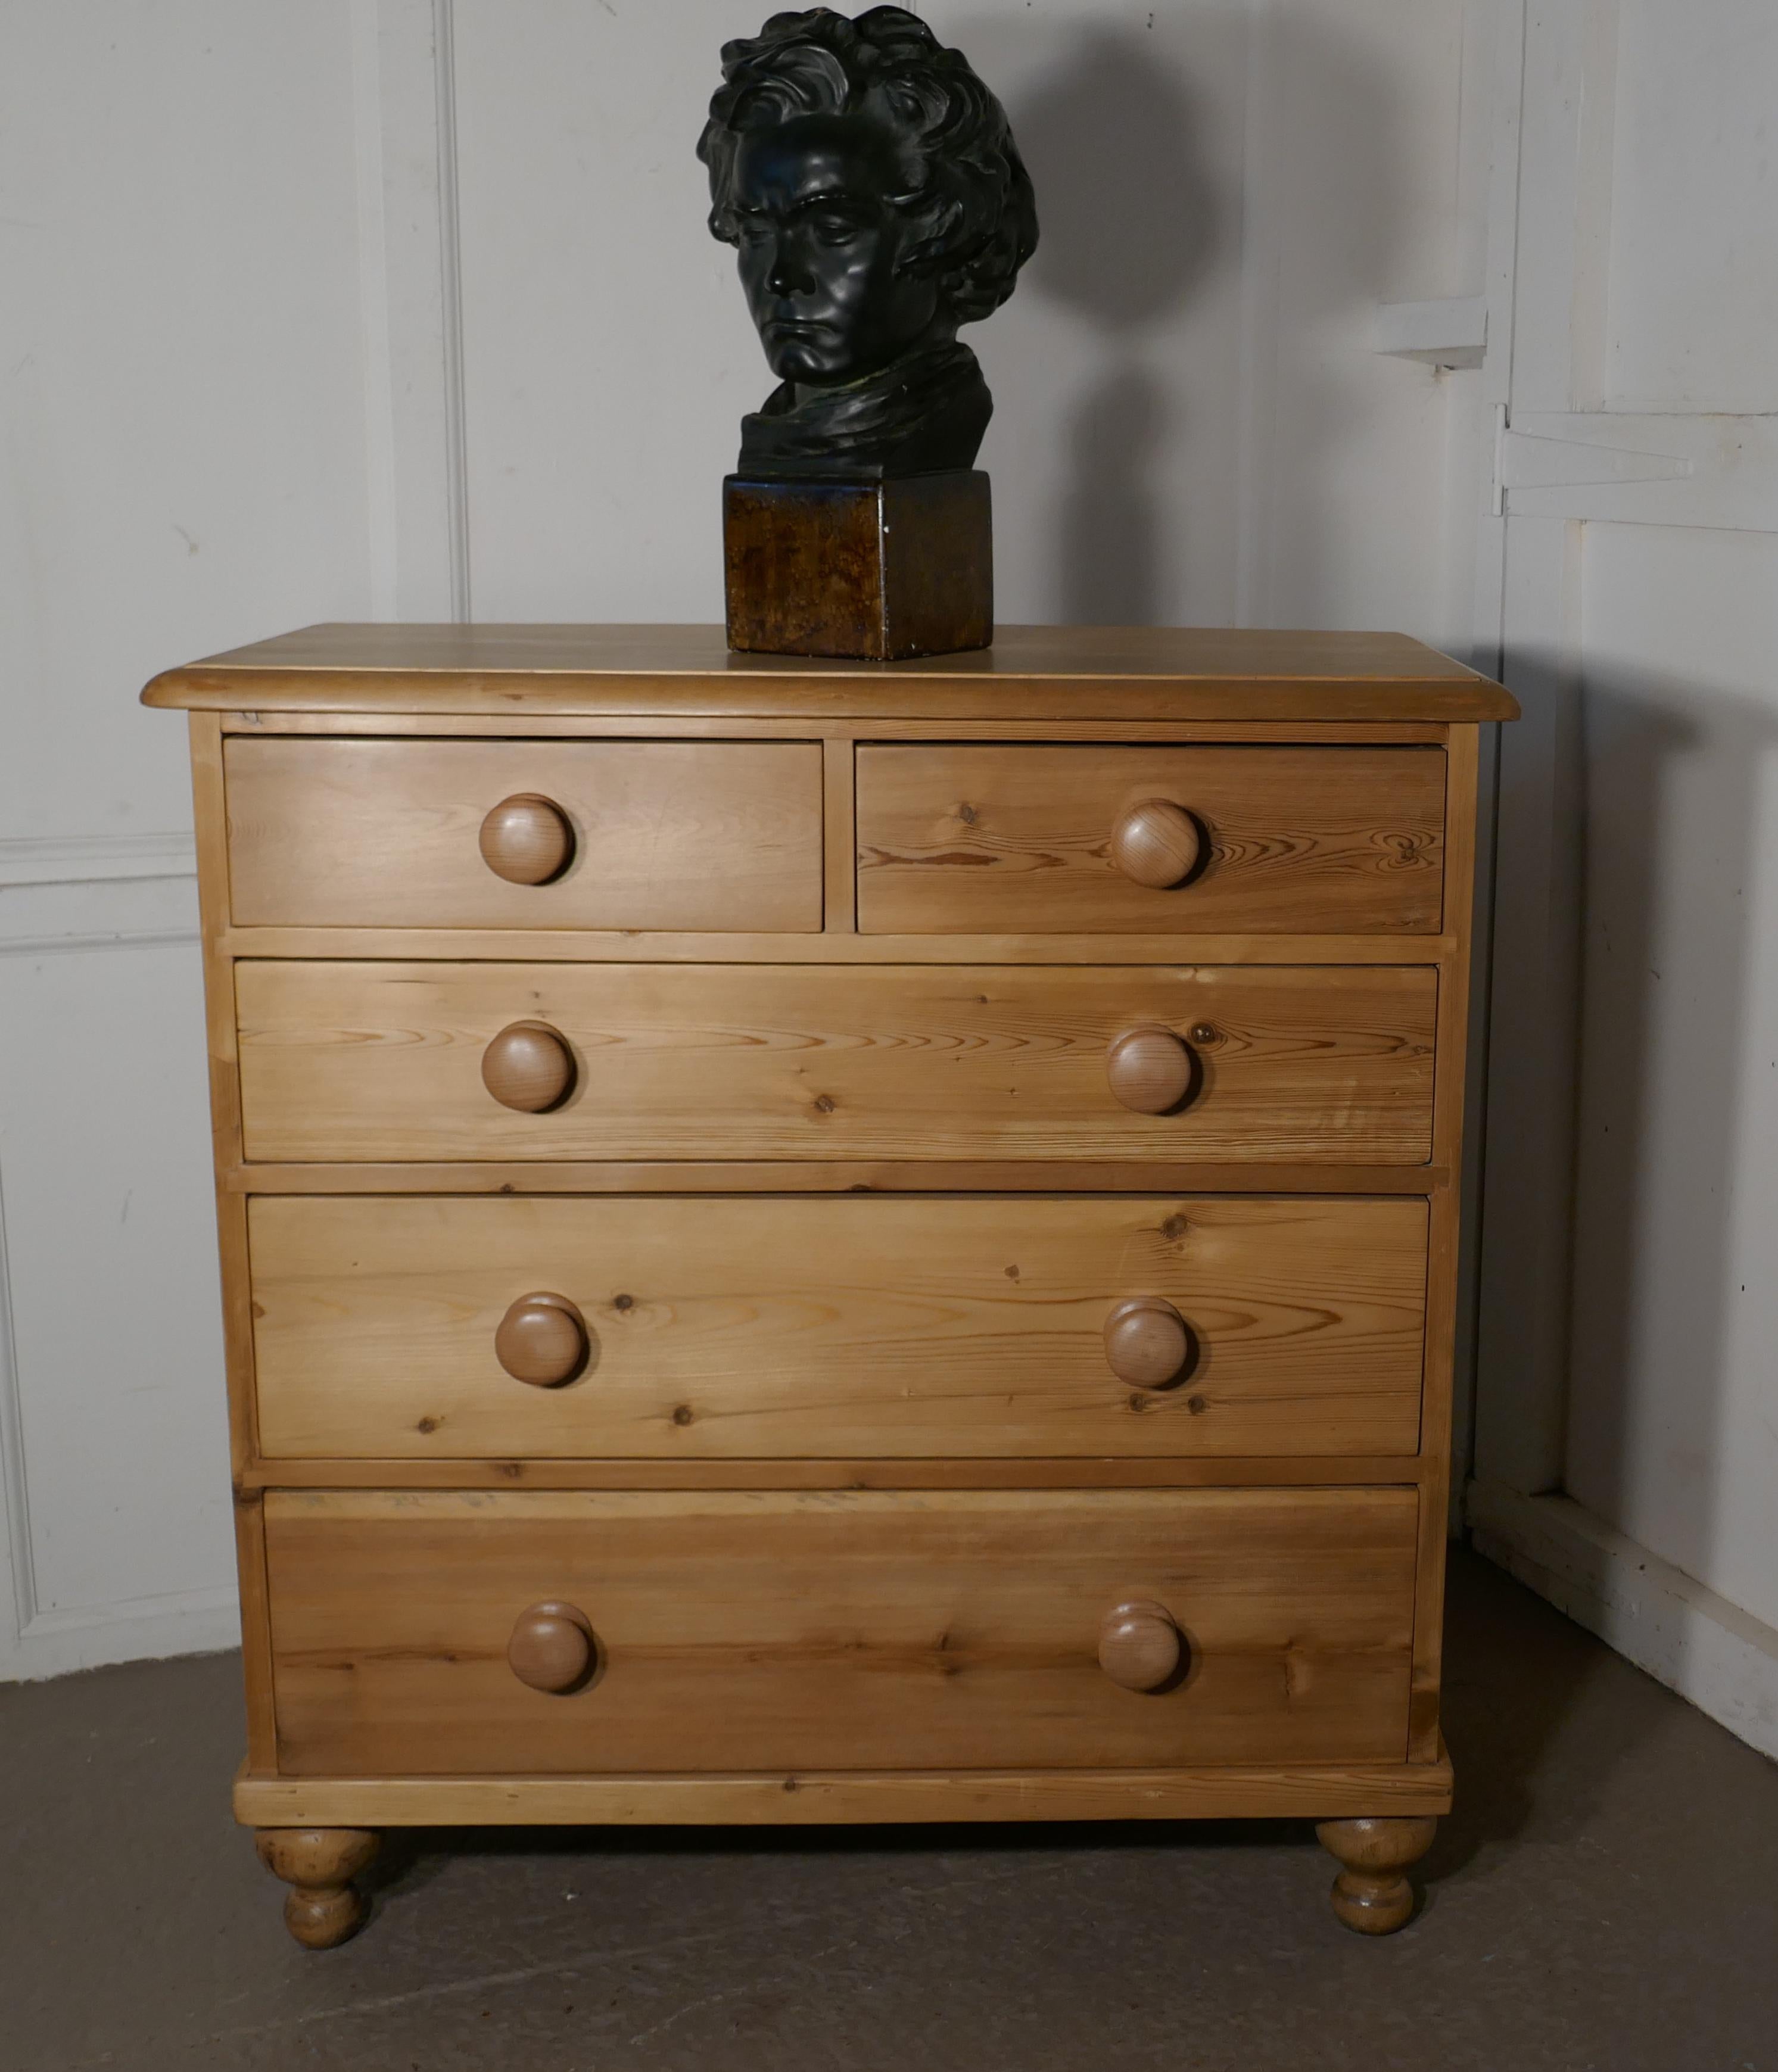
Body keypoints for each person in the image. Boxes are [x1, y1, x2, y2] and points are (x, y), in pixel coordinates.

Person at [698, 6, 1038, 480]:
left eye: (833, 231)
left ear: (948, 234)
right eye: (755, 234)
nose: (780, 276)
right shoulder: (779, 440)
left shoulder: (921, 434)